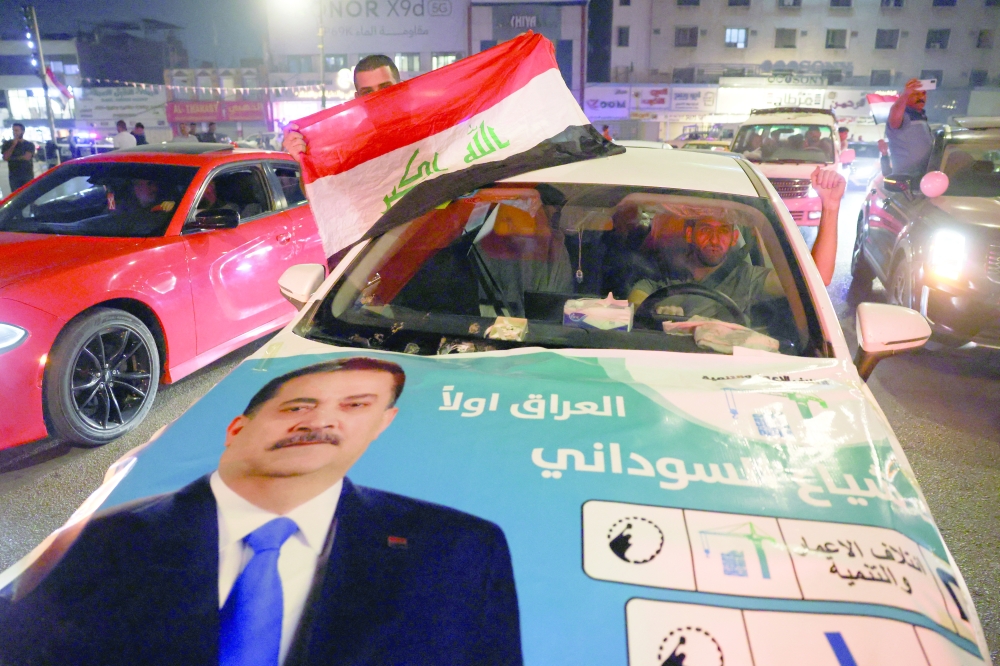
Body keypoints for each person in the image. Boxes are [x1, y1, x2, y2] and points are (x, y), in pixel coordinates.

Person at [0, 357, 522, 666]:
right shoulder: (106, 539)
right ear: (236, 430)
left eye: (355, 405)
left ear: (382, 424)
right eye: (297, 407)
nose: (319, 422)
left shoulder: (458, 546)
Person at [628, 166, 845, 317]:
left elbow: (819, 277)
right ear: (689, 234)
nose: (715, 239)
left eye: (723, 230)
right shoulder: (660, 278)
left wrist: (831, 206)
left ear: (733, 238)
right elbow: (636, 301)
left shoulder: (747, 280)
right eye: (705, 229)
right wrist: (649, 311)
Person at [282, 54, 402, 163]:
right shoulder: (353, 145)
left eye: (385, 88)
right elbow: (328, 185)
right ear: (358, 98)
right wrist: (305, 162)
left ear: (401, 88)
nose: (377, 97)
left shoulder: (420, 125)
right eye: (368, 92)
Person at [886, 78, 933, 177]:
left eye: (924, 93)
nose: (921, 97)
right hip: (905, 178)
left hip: (924, 176)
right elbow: (895, 117)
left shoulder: (921, 116)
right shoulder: (902, 115)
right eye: (916, 94)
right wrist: (906, 94)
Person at [2, 123, 35, 193]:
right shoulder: (7, 144)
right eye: (13, 130)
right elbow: (5, 157)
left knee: (29, 194)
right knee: (16, 195)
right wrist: (13, 145)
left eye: (17, 130)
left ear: (22, 131)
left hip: (27, 174)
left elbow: (27, 157)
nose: (15, 133)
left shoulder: (29, 144)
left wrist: (12, 158)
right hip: (14, 175)